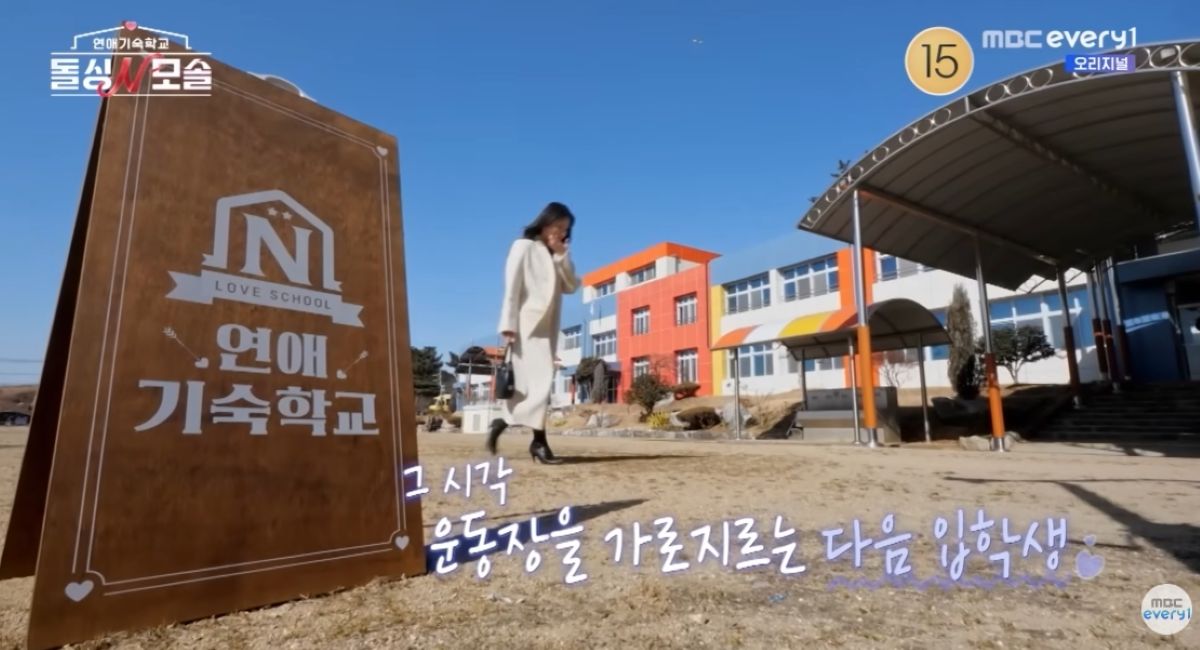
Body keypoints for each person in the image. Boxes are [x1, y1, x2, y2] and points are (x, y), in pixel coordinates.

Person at [488, 202, 581, 464]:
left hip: (547, 329)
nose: (561, 232)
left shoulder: (556, 255)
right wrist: (508, 324)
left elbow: (571, 287)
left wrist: (562, 256)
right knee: (539, 385)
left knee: (532, 386)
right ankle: (538, 443)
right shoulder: (523, 246)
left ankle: (504, 423)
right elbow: (512, 286)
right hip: (526, 326)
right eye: (558, 225)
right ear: (545, 222)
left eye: (565, 229)